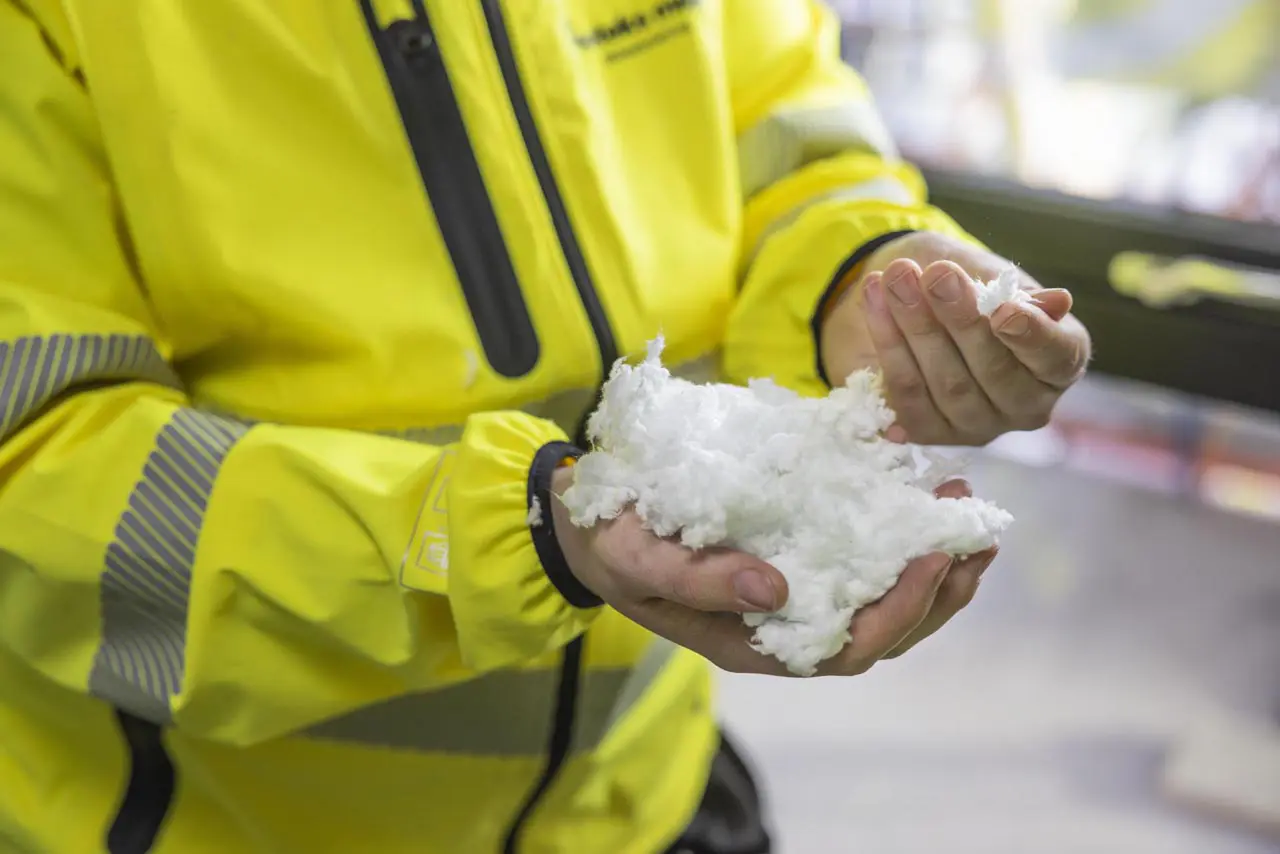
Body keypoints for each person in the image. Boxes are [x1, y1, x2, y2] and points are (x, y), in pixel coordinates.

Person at [0, 1, 1091, 852]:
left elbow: (782, 128)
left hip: (643, 792)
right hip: (211, 825)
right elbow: (32, 454)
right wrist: (506, 534)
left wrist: (862, 280)